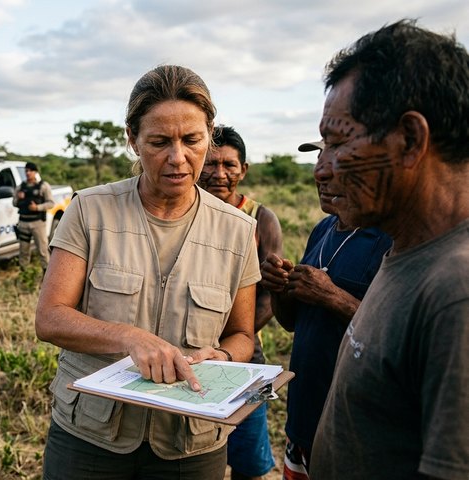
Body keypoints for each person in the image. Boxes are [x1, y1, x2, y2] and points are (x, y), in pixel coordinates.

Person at [35, 65, 260, 480]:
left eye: (192, 140)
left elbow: (243, 335)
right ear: (132, 140)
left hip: (190, 446)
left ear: (209, 134)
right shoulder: (89, 210)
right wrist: (129, 336)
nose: (178, 158)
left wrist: (224, 356)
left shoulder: (239, 230)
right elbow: (50, 318)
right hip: (90, 439)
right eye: (159, 142)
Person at [308, 19, 469, 479]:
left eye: (339, 142)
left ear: (411, 140)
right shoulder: (406, 251)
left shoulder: (457, 290)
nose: (322, 170)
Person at [260, 140, 391, 479]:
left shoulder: (389, 238)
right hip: (304, 417)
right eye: (320, 161)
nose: (321, 174)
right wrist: (281, 288)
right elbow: (291, 324)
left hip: (352, 429)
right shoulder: (322, 229)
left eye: (336, 163)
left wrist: (331, 295)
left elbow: (396, 334)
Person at [198, 125, 282, 480]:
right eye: (211, 164)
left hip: (245, 356)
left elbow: (272, 294)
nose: (220, 174)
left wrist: (234, 338)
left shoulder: (261, 218)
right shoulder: (182, 213)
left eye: (230, 165)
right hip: (188, 353)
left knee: (248, 456)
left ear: (243, 170)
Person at [13, 161, 54, 272]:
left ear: (35, 172)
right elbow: (14, 203)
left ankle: (47, 275)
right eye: (26, 171)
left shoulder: (43, 186)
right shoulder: (20, 187)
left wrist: (37, 208)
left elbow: (51, 203)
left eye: (30, 171)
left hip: (38, 223)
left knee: (42, 250)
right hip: (24, 222)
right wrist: (18, 198)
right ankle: (25, 275)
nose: (28, 173)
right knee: (23, 251)